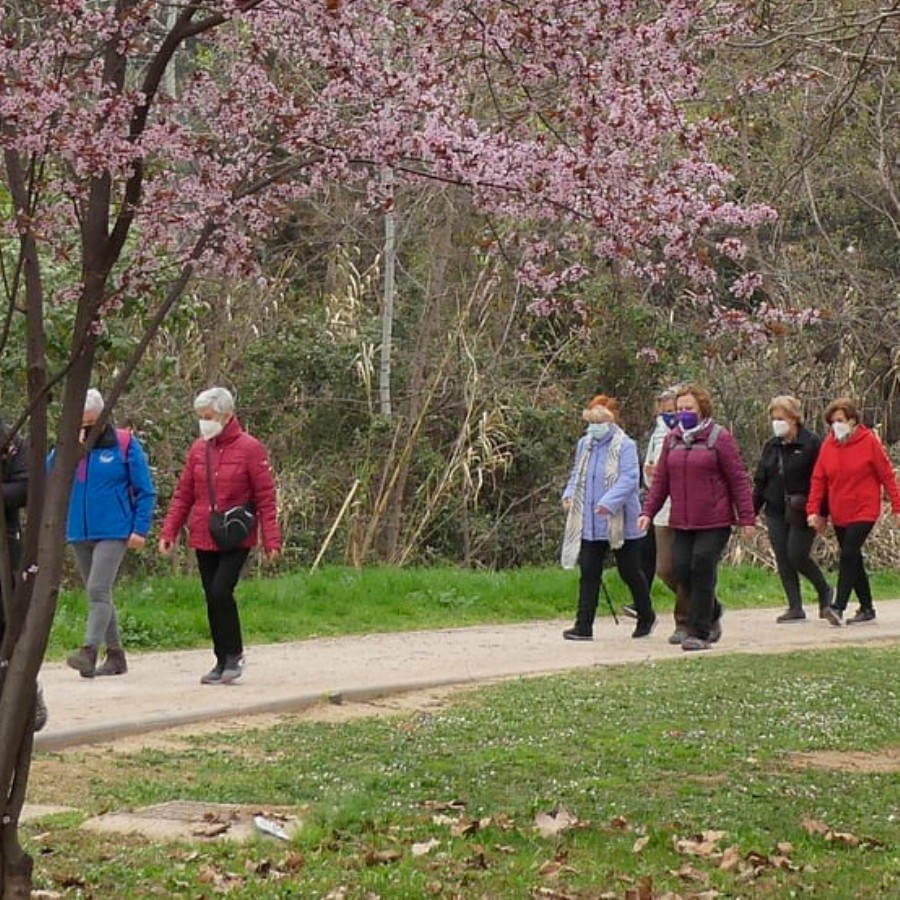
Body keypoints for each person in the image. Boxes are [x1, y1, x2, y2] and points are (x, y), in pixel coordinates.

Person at [158, 387, 281, 685]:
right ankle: (220, 658)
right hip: (204, 531)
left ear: (226, 416)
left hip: (237, 533)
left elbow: (266, 495)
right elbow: (183, 493)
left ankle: (234, 654)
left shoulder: (250, 448)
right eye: (200, 417)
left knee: (221, 591)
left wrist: (271, 539)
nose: (204, 423)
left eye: (209, 417)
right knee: (210, 596)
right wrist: (169, 531)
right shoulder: (198, 450)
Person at [639, 383, 755, 651]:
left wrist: (746, 518)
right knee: (681, 570)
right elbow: (661, 483)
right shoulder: (672, 440)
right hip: (682, 519)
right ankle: (712, 611)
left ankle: (699, 632)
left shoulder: (719, 438)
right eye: (680, 409)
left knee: (702, 567)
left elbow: (738, 480)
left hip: (714, 519)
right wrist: (648, 512)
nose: (683, 413)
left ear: (702, 407)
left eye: (688, 408)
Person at [63, 389, 157, 678]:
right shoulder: (70, 446)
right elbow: (49, 473)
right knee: (99, 594)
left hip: (114, 530)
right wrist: (70, 449)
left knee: (97, 589)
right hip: (79, 530)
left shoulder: (125, 444)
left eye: (90, 424)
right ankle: (116, 656)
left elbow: (146, 490)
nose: (86, 430)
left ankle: (89, 650)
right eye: (81, 424)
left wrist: (139, 528)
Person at [561, 394, 656, 641]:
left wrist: (608, 503)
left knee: (629, 571)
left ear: (611, 420)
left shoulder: (626, 445)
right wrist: (569, 495)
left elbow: (628, 480)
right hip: (590, 522)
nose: (594, 426)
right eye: (591, 420)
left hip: (620, 522)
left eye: (599, 421)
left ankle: (646, 615)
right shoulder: (585, 444)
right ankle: (583, 626)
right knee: (589, 572)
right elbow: (577, 475)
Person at [807, 397, 900, 626]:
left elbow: (886, 475)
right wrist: (814, 511)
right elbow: (818, 479)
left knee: (848, 552)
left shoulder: (869, 442)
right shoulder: (828, 445)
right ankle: (867, 607)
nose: (835, 425)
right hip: (840, 511)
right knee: (853, 558)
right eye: (832, 422)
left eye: (839, 420)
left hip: (864, 509)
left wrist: (898, 507)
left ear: (852, 420)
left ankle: (838, 606)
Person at [753, 396, 832, 622]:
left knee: (797, 554)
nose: (777, 423)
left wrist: (820, 512)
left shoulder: (812, 443)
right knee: (783, 557)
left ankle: (824, 590)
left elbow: (823, 479)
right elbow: (761, 480)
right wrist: (751, 510)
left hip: (803, 509)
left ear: (794, 418)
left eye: (782, 418)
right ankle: (795, 606)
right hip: (775, 509)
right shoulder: (771, 446)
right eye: (774, 418)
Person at [639, 386, 693, 644]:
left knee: (684, 566)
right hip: (662, 509)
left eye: (678, 410)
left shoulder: (693, 434)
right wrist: (649, 474)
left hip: (686, 507)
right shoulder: (658, 435)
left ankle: (684, 621)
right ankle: (706, 602)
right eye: (668, 411)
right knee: (665, 569)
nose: (673, 415)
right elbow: (653, 474)